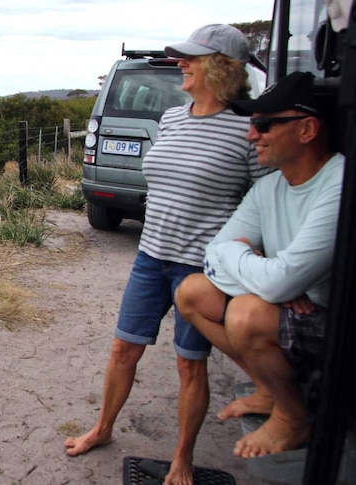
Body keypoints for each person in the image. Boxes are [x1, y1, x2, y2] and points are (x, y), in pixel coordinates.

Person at [64, 24, 273, 485]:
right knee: (123, 348)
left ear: (221, 68)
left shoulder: (248, 131)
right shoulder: (173, 119)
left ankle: (182, 459)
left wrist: (261, 264)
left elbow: (263, 206)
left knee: (188, 364)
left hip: (200, 269)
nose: (181, 62)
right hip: (150, 255)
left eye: (190, 58)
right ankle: (102, 429)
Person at [175, 71, 343, 458]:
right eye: (253, 124)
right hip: (294, 310)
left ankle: (292, 417)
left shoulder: (339, 184)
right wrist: (268, 277)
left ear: (307, 130)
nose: (252, 135)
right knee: (193, 292)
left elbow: (273, 277)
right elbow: (213, 255)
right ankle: (268, 390)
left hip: (337, 326)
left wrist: (264, 274)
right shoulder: (270, 186)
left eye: (265, 124)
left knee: (247, 314)